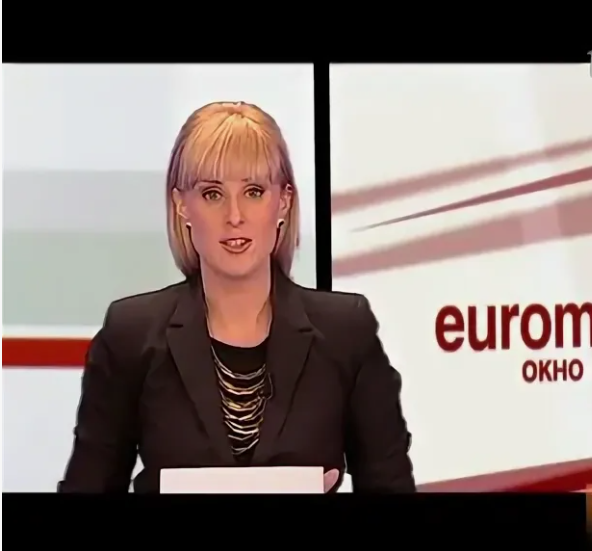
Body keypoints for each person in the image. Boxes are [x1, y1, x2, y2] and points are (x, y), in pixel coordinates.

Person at [59, 102, 415, 493]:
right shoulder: (131, 335)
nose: (234, 216)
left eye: (254, 191)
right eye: (213, 194)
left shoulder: (347, 332)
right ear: (181, 205)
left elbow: (390, 485)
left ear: (283, 201)